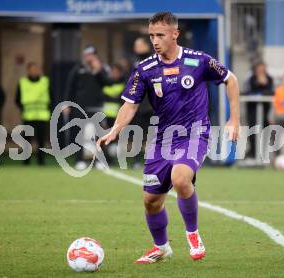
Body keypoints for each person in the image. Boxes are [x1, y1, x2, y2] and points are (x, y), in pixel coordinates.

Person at [97, 12, 240, 264]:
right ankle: (161, 247)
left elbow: (231, 80)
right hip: (163, 139)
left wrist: (234, 119)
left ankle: (193, 234)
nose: (154, 40)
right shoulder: (145, 69)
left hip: (195, 133)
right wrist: (115, 129)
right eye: (151, 35)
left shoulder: (199, 61)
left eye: (160, 35)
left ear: (175, 34)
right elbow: (129, 105)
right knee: (151, 201)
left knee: (181, 178)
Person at [63, 45, 109, 170]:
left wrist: (98, 71)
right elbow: (70, 87)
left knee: (98, 135)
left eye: (91, 54)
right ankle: (80, 160)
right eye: (86, 54)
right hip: (80, 107)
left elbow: (107, 83)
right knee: (80, 134)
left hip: (96, 107)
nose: (88, 57)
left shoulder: (101, 68)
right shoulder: (78, 68)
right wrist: (66, 103)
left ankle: (99, 160)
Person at [15, 62, 51, 165]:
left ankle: (41, 161)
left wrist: (49, 109)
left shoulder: (45, 81)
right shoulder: (22, 82)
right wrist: (23, 109)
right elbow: (17, 99)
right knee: (27, 140)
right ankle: (26, 161)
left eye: (36, 69)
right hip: (28, 116)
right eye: (32, 69)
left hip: (42, 116)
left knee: (41, 140)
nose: (34, 71)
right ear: (28, 70)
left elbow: (51, 97)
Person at [132, 37, 155, 169]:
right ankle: (136, 161)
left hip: (152, 105)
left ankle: (153, 160)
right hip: (137, 106)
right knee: (138, 133)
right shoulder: (134, 62)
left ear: (146, 46)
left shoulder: (154, 61)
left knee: (153, 134)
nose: (136, 48)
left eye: (139, 45)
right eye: (135, 45)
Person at [245, 61, 274, 158]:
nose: (261, 70)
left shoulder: (269, 78)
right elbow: (248, 90)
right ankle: (253, 152)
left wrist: (264, 83)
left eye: (263, 68)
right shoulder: (251, 78)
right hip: (253, 109)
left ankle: (263, 153)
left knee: (265, 130)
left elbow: (271, 91)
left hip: (265, 109)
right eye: (259, 68)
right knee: (253, 130)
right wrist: (258, 82)